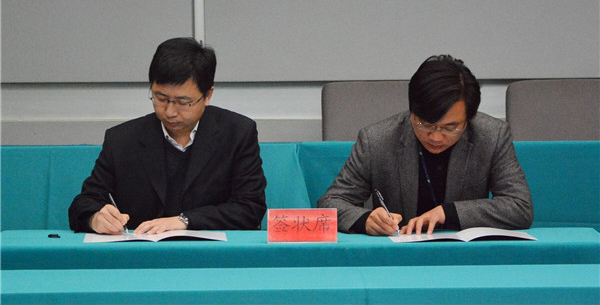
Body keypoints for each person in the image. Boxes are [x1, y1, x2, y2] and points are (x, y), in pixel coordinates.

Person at [318, 55, 533, 236]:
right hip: (399, 256)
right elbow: (330, 203)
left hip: (465, 257)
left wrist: (448, 212)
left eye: (450, 128)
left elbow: (519, 207)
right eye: (425, 125)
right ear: (411, 111)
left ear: (469, 118)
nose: (436, 137)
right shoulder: (377, 140)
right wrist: (365, 220)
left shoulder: (492, 135)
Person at [69, 37, 267, 234]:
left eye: (182, 102)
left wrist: (185, 221)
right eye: (160, 98)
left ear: (207, 95)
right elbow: (85, 203)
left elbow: (250, 208)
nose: (170, 112)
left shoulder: (237, 133)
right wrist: (95, 218)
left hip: (210, 251)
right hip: (141, 250)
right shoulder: (122, 139)